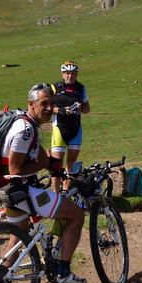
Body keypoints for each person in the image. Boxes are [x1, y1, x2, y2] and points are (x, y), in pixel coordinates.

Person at [0, 82, 87, 283]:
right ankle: (63, 272)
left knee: (17, 237)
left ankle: (1, 280)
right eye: (44, 103)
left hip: (9, 190)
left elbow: (36, 157)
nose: (49, 108)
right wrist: (42, 165)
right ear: (31, 104)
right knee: (76, 215)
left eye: (52, 104)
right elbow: (16, 168)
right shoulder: (26, 129)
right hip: (23, 191)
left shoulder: (25, 122)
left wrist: (51, 164)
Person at [50, 61, 90, 192]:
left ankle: (66, 191)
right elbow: (47, 107)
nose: (70, 76)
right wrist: (61, 110)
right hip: (59, 128)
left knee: (71, 164)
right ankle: (55, 194)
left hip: (75, 129)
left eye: (73, 73)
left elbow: (87, 109)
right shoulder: (55, 87)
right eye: (67, 73)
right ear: (62, 74)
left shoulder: (81, 88)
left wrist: (81, 107)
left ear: (76, 74)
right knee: (56, 164)